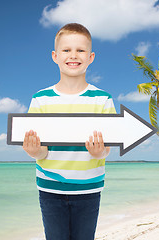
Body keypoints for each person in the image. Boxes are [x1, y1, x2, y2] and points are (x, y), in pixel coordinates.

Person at [22, 23, 116, 240]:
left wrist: (98, 152)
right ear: (55, 56)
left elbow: (107, 149)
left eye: (80, 50)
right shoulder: (40, 99)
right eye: (66, 50)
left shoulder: (103, 99)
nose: (73, 55)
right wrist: (34, 152)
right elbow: (41, 152)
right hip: (50, 189)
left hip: (89, 189)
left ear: (91, 57)